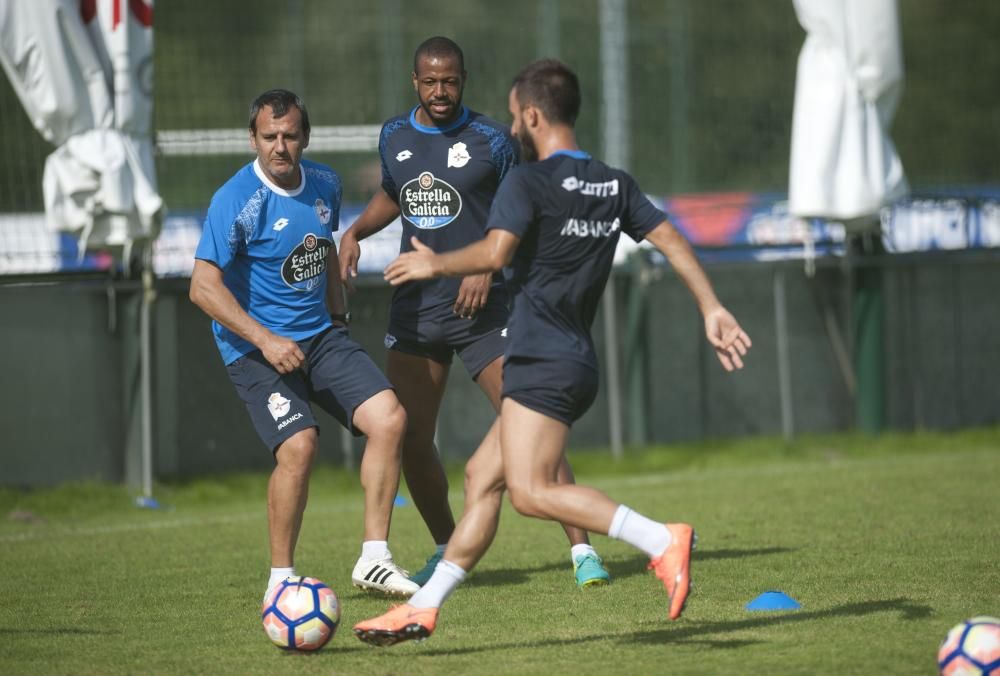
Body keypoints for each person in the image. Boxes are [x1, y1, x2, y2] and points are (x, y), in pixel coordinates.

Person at [353, 59, 752, 646]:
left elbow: (493, 254)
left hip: (541, 356)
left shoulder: (528, 182)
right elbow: (670, 238)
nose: (512, 124)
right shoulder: (613, 183)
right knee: (482, 479)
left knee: (532, 491)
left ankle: (661, 539)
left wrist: (434, 261)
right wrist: (712, 308)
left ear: (533, 115)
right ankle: (424, 607)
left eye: (516, 115)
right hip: (572, 355)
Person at [338, 37, 611, 588]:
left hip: (488, 309)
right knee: (412, 437)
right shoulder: (394, 134)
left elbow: (522, 207)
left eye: (451, 80)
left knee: (530, 425)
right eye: (431, 81)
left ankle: (583, 552)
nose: (441, 91)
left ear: (464, 80)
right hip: (417, 311)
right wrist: (356, 230)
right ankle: (447, 548)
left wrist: (487, 267)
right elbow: (398, 193)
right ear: (414, 82)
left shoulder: (492, 139)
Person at [189, 89, 419, 601]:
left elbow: (324, 250)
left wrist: (338, 320)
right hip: (255, 350)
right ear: (253, 138)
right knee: (300, 446)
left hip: (320, 338)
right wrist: (267, 341)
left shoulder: (325, 184)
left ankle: (375, 559)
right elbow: (202, 287)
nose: (279, 146)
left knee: (390, 419)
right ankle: (280, 582)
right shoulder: (235, 201)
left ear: (305, 137)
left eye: (289, 135)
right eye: (269, 137)